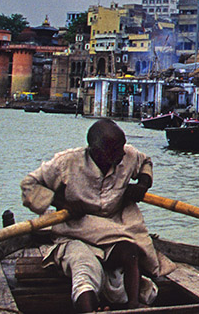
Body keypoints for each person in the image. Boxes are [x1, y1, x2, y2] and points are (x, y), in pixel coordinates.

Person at [21, 119, 172, 312]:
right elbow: (29, 185)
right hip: (76, 229)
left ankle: (133, 305)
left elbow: (145, 163)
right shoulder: (66, 162)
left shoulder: (127, 155)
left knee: (131, 252)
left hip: (113, 227)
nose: (122, 153)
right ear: (98, 152)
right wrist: (62, 203)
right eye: (116, 150)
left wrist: (142, 185)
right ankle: (90, 310)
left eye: (122, 147)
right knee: (84, 266)